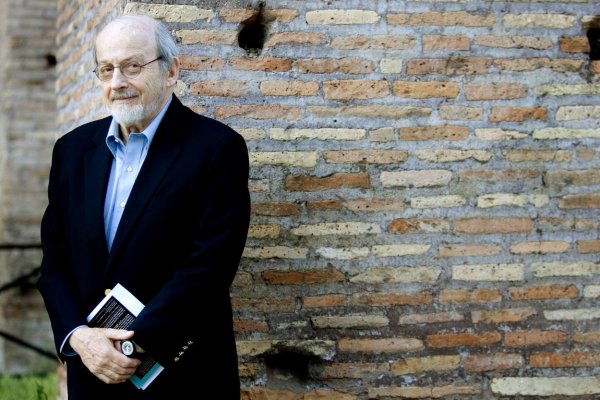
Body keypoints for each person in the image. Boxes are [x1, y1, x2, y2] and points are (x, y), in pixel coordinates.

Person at [37, 14, 250, 399]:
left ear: (171, 72)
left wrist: (129, 348)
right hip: (92, 372)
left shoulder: (217, 148)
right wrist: (79, 337)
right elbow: (55, 263)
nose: (117, 82)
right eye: (106, 69)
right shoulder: (71, 151)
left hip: (182, 373)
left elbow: (209, 269)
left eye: (132, 66)